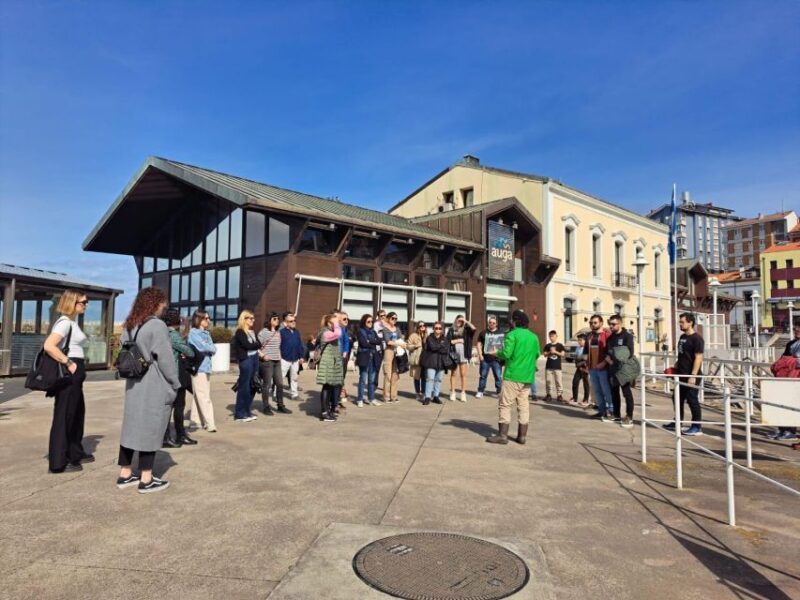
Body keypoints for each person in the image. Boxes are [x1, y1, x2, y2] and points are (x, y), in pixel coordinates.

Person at [117, 287, 181, 493]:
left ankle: (125, 473)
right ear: (156, 303)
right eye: (163, 303)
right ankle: (147, 478)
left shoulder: (130, 324)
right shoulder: (157, 326)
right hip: (153, 382)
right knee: (151, 428)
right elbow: (165, 359)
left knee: (131, 426)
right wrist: (174, 383)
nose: (165, 307)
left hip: (133, 382)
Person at [43, 289, 91, 473]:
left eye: (86, 302)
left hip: (75, 375)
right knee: (65, 416)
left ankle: (74, 453)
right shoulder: (64, 323)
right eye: (83, 302)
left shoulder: (72, 322)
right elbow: (49, 345)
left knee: (76, 414)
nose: (86, 305)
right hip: (69, 373)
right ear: (72, 303)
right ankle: (58, 462)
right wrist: (69, 363)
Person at [486, 309, 541, 445]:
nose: (509, 322)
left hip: (512, 375)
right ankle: (522, 436)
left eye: (511, 320)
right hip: (527, 377)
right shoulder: (534, 337)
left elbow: (506, 353)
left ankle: (502, 435)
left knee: (505, 404)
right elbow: (537, 354)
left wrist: (495, 353)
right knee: (523, 406)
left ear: (515, 321)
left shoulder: (512, 335)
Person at [162, 309, 197, 447]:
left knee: (167, 407)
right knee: (178, 406)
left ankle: (167, 436)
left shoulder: (161, 333)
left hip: (164, 375)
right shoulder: (173, 335)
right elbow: (190, 352)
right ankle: (179, 435)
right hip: (175, 375)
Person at [666, 312, 704, 436]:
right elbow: (683, 354)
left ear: (690, 322)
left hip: (692, 375)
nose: (680, 324)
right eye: (680, 322)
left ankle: (696, 426)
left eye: (682, 322)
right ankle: (678, 421)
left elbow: (698, 357)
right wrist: (676, 364)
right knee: (676, 398)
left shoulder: (697, 339)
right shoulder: (682, 337)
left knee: (692, 400)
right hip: (681, 373)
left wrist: (693, 375)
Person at [767, 323, 800, 442]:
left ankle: (791, 431)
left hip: (796, 378)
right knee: (782, 403)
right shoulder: (791, 343)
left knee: (793, 405)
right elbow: (783, 359)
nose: (796, 330)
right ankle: (782, 429)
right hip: (786, 378)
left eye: (798, 328)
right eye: (795, 328)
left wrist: (790, 361)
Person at [187, 310, 217, 433]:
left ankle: (195, 421)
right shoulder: (193, 333)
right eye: (206, 318)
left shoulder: (206, 333)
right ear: (199, 319)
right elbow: (204, 347)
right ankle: (210, 423)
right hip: (198, 368)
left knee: (198, 395)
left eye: (209, 318)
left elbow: (213, 349)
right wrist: (209, 347)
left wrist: (209, 347)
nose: (208, 320)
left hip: (206, 367)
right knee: (204, 396)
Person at [604, 315, 636, 428]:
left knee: (626, 393)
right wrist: (609, 359)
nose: (611, 326)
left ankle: (629, 416)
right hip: (612, 370)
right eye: (610, 324)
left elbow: (629, 353)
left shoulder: (627, 337)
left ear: (620, 324)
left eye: (613, 324)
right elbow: (607, 352)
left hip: (624, 370)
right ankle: (616, 414)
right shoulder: (610, 338)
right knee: (614, 393)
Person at [258, 312, 292, 415]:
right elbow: (256, 347)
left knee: (280, 384)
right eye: (274, 319)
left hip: (277, 361)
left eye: (277, 319)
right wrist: (263, 356)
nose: (277, 320)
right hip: (267, 362)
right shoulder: (263, 332)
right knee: (267, 385)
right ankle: (266, 407)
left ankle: (280, 405)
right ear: (269, 320)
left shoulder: (278, 332)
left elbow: (278, 346)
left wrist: (280, 356)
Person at [232, 310, 261, 423]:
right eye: (250, 318)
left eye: (253, 318)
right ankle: (240, 413)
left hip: (255, 359)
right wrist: (255, 345)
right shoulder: (240, 332)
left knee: (253, 385)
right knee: (244, 386)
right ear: (244, 319)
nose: (253, 320)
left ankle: (247, 411)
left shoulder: (252, 332)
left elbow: (258, 344)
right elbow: (247, 345)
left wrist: (254, 345)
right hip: (246, 360)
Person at [317, 312, 344, 421]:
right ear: (329, 323)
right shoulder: (325, 333)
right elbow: (338, 334)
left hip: (332, 363)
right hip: (327, 364)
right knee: (326, 387)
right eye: (335, 322)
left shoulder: (330, 331)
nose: (338, 323)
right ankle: (324, 412)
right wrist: (336, 324)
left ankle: (327, 411)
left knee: (330, 387)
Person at [586, 314, 613, 419]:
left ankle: (611, 411)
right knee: (597, 391)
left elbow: (611, 351)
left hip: (603, 368)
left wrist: (604, 363)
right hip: (592, 368)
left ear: (601, 323)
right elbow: (586, 351)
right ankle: (601, 411)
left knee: (607, 390)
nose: (593, 324)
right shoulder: (589, 336)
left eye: (595, 322)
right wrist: (586, 364)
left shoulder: (607, 335)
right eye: (591, 323)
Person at [355, 314, 383, 407]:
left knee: (371, 380)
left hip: (373, 357)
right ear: (364, 322)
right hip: (364, 357)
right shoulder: (360, 331)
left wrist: (369, 341)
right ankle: (360, 399)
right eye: (368, 321)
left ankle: (371, 399)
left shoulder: (373, 331)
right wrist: (372, 342)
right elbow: (363, 343)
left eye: (371, 321)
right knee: (363, 379)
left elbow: (379, 341)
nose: (370, 323)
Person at [447, 314, 476, 402]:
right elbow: (447, 341)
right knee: (453, 374)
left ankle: (463, 393)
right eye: (458, 320)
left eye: (461, 321)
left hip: (464, 354)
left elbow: (474, 329)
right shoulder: (451, 330)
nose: (459, 322)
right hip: (453, 354)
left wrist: (466, 321)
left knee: (463, 374)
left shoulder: (466, 330)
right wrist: (458, 340)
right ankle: (453, 392)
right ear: (455, 320)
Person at [421, 321, 450, 405]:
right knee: (430, 380)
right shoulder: (430, 338)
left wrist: (440, 346)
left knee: (438, 380)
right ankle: (427, 397)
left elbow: (446, 349)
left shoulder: (445, 339)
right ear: (433, 329)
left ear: (442, 330)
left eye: (440, 328)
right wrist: (441, 346)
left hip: (441, 362)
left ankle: (436, 396)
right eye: (436, 328)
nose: (438, 330)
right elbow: (433, 347)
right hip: (431, 362)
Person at [476, 315, 503, 398]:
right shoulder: (483, 332)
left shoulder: (500, 333)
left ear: (496, 324)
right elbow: (479, 344)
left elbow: (503, 345)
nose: (492, 324)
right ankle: (480, 391)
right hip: (485, 359)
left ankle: (499, 391)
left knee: (498, 376)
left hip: (496, 359)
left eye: (493, 323)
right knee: (483, 376)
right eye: (490, 322)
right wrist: (480, 355)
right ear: (488, 323)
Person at [280, 312, 304, 400]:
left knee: (294, 378)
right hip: (284, 359)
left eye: (294, 320)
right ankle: (276, 394)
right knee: (280, 378)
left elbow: (299, 345)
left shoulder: (297, 332)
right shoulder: (281, 332)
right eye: (291, 321)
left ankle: (294, 395)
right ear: (286, 322)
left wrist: (301, 356)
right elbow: (278, 345)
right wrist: (280, 356)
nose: (293, 322)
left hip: (295, 359)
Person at [381, 311, 405, 403]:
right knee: (388, 374)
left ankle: (394, 396)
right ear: (388, 318)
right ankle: (386, 397)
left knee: (395, 375)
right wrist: (398, 343)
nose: (394, 320)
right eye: (393, 318)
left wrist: (402, 344)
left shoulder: (397, 329)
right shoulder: (385, 329)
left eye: (396, 318)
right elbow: (388, 341)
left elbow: (400, 339)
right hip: (389, 351)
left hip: (397, 352)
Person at [542, 330, 565, 403]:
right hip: (549, 366)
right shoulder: (547, 346)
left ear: (556, 336)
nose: (552, 338)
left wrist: (555, 352)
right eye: (550, 336)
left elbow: (563, 354)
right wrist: (549, 352)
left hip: (557, 367)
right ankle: (548, 394)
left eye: (553, 336)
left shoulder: (560, 345)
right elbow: (545, 354)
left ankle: (559, 395)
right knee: (548, 381)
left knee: (558, 381)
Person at [406, 321, 427, 401]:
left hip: (425, 359)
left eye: (423, 325)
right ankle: (418, 393)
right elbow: (408, 346)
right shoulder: (413, 335)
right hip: (416, 359)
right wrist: (415, 346)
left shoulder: (426, 335)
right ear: (417, 327)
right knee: (416, 377)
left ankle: (424, 393)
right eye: (420, 325)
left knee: (424, 378)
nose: (422, 327)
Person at [571, 333, 590, 407]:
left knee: (586, 384)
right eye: (578, 340)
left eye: (581, 340)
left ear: (585, 341)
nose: (579, 342)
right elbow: (576, 358)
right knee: (575, 382)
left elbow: (586, 359)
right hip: (579, 368)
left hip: (585, 368)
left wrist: (581, 364)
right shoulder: (578, 348)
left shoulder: (587, 348)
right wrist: (578, 364)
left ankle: (586, 399)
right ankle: (574, 398)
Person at [338, 310, 352, 405]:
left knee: (342, 376)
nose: (346, 320)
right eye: (344, 319)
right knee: (339, 376)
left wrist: (345, 352)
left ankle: (341, 392)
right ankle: (340, 394)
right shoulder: (338, 329)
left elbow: (346, 342)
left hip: (344, 357)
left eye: (347, 319)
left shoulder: (345, 330)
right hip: (337, 357)